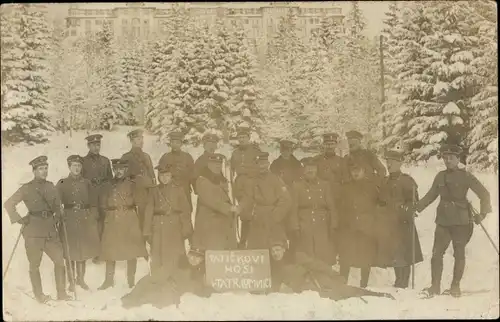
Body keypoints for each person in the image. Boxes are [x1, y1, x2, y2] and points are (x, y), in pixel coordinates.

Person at [416, 144, 492, 298]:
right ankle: (435, 286)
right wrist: (416, 208)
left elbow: (484, 194)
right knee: (437, 254)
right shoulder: (440, 176)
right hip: (443, 221)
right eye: (445, 158)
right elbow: (431, 195)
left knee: (459, 254)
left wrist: (483, 214)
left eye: (451, 158)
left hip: (461, 221)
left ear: (458, 159)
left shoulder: (466, 176)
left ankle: (455, 286)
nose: (448, 160)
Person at [4, 156, 71, 303]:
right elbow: (9, 204)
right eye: (41, 169)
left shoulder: (51, 186)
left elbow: (57, 207)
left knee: (59, 261)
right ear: (34, 171)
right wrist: (20, 219)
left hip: (50, 230)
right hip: (33, 232)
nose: (44, 171)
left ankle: (61, 293)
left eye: (46, 168)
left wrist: (58, 215)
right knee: (34, 264)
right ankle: (39, 295)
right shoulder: (26, 188)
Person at [269, 241, 395, 301]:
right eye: (273, 251)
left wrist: (334, 274)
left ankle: (377, 296)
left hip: (318, 280)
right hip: (307, 291)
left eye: (278, 250)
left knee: (344, 290)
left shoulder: (296, 256)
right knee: (335, 297)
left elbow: (317, 265)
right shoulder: (275, 268)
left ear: (284, 249)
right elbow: (273, 286)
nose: (275, 253)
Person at [97, 159, 148, 290]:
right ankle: (108, 280)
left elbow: (140, 202)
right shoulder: (108, 185)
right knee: (110, 250)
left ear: (126, 170)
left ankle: (131, 280)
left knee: (131, 250)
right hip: (112, 219)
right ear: (113, 170)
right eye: (116, 169)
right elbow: (103, 204)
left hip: (129, 219)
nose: (118, 171)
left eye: (121, 169)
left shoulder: (132, 184)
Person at [376, 149, 423, 288]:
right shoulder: (384, 181)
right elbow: (380, 200)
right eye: (387, 161)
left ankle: (404, 281)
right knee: (394, 251)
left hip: (403, 221)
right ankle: (398, 280)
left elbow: (414, 201)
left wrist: (407, 208)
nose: (388, 164)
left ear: (399, 163)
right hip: (389, 222)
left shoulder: (407, 181)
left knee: (405, 252)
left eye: (392, 161)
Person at [56, 155, 101, 292]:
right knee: (70, 251)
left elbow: (94, 202)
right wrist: (60, 215)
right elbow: (56, 202)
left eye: (79, 166)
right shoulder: (62, 183)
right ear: (69, 167)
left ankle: (81, 279)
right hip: (68, 220)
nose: (77, 168)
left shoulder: (87, 183)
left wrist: (92, 217)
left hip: (84, 220)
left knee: (82, 251)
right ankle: (71, 281)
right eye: (74, 165)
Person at [143, 163, 193, 278]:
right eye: (162, 175)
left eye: (167, 175)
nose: (164, 178)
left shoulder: (179, 190)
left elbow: (185, 211)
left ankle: (178, 277)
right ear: (158, 176)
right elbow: (148, 211)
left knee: (175, 252)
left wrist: (186, 228)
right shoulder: (154, 191)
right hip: (158, 226)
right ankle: (157, 279)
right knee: (157, 253)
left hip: (174, 226)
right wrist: (147, 231)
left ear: (171, 176)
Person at [337, 160, 381, 288]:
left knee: (365, 255)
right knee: (345, 255)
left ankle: (364, 284)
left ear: (363, 171)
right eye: (353, 171)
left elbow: (378, 206)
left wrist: (372, 223)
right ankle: (342, 283)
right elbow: (340, 206)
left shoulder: (372, 187)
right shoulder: (345, 187)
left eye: (358, 170)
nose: (355, 173)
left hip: (366, 226)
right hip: (348, 226)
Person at [238, 151, 291, 250]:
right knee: (256, 247)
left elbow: (286, 200)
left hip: (273, 218)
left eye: (264, 164)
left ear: (268, 164)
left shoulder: (275, 179)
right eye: (259, 164)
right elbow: (247, 198)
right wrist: (239, 208)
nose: (261, 166)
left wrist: (276, 215)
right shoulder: (251, 180)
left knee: (274, 247)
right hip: (257, 219)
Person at [289, 157, 338, 264]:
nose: (310, 171)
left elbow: (331, 207)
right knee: (306, 256)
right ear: (303, 170)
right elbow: (293, 209)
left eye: (313, 168)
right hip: (304, 225)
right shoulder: (297, 186)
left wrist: (333, 225)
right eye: (307, 168)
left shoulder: (325, 185)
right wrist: (295, 227)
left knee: (322, 256)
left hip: (322, 225)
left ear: (316, 170)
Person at [191, 154, 240, 252]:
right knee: (212, 253)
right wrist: (229, 208)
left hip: (221, 226)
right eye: (214, 164)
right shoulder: (202, 180)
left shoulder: (221, 179)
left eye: (219, 164)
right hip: (209, 225)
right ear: (208, 164)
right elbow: (211, 200)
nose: (217, 166)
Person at [230, 126, 261, 249]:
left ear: (249, 138)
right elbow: (231, 168)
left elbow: (261, 167)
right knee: (243, 213)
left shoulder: (256, 151)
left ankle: (248, 241)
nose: (242, 140)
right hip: (239, 185)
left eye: (244, 137)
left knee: (251, 213)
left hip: (252, 183)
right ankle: (242, 241)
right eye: (240, 137)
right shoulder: (235, 153)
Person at [120, 129, 156, 231]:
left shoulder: (146, 157)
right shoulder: (126, 157)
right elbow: (122, 179)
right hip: (133, 194)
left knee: (146, 221)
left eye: (142, 138)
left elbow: (152, 176)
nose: (141, 141)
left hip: (146, 194)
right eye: (138, 139)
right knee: (134, 222)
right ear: (132, 141)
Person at [157, 131, 195, 212]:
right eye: (173, 142)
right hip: (169, 193)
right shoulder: (165, 157)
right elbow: (160, 176)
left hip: (184, 191)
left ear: (181, 144)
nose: (175, 145)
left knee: (185, 215)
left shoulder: (187, 157)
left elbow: (193, 176)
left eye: (177, 142)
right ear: (170, 143)